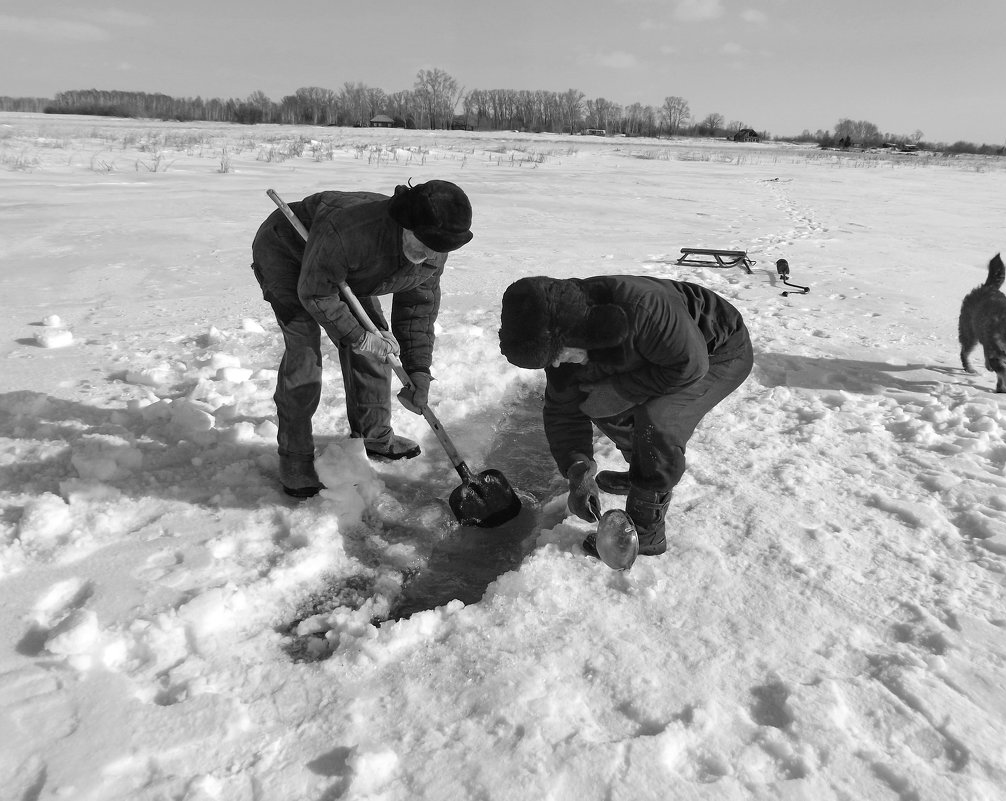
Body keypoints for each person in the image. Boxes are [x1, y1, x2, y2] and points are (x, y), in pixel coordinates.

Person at [498, 275, 753, 558]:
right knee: (592, 399)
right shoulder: (558, 337)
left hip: (718, 352)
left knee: (658, 418)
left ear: (572, 332)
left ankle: (646, 531)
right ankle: (642, 470)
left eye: (556, 354)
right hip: (659, 357)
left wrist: (621, 390)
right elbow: (563, 412)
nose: (555, 363)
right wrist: (578, 473)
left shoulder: (643, 309)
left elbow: (690, 365)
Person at [251, 180, 473, 498]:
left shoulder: (434, 250)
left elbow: (418, 311)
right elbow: (315, 292)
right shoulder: (353, 232)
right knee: (304, 353)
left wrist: (419, 371)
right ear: (405, 225)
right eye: (424, 242)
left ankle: (374, 435)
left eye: (438, 247)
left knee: (377, 343)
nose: (428, 253)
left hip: (348, 271)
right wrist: (359, 338)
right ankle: (295, 457)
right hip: (288, 251)